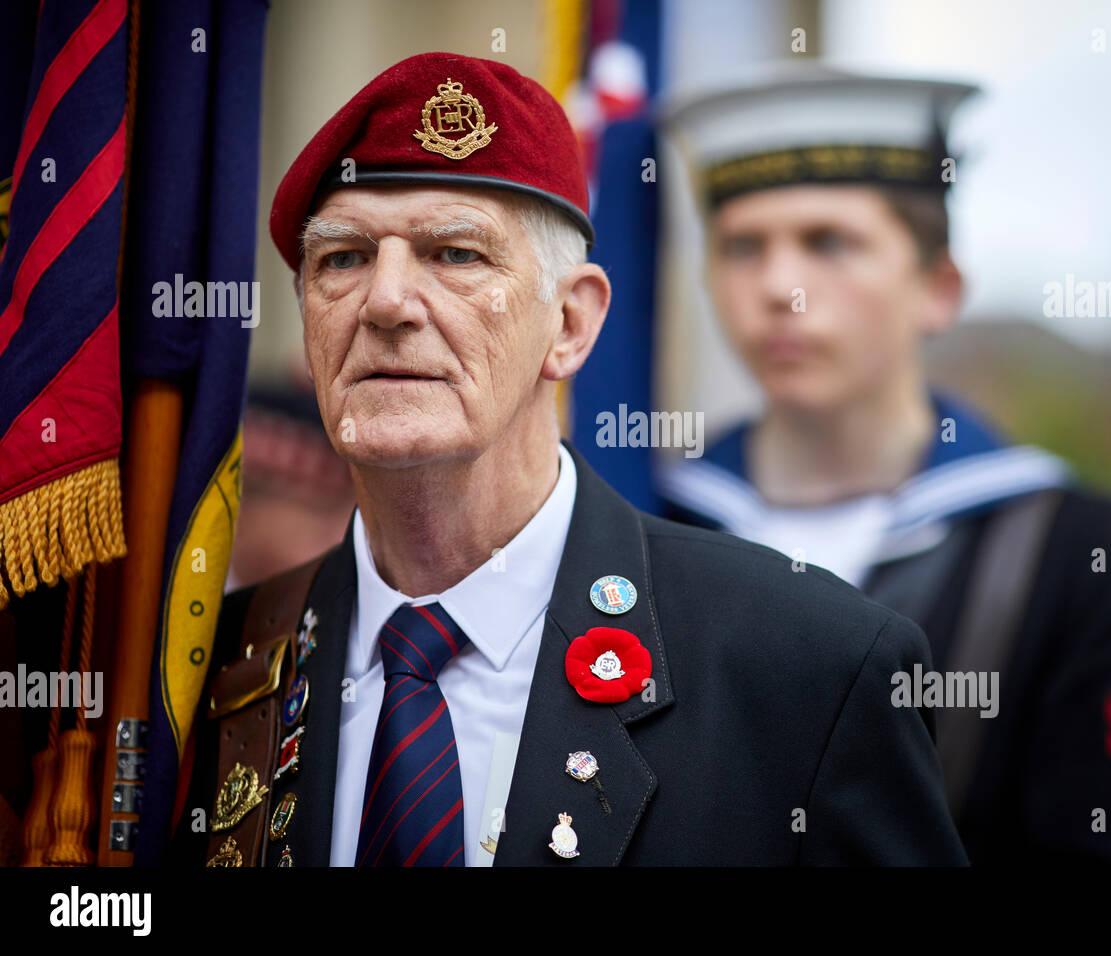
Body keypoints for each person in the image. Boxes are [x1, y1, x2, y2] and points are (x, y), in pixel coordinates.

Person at [167, 52, 967, 867]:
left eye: (456, 254)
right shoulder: (203, 669)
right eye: (343, 258)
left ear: (572, 325)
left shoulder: (807, 670)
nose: (386, 302)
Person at [656, 65, 1111, 864]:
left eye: (829, 242)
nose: (779, 287)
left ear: (939, 287)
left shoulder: (1075, 550)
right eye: (741, 246)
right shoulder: (648, 518)